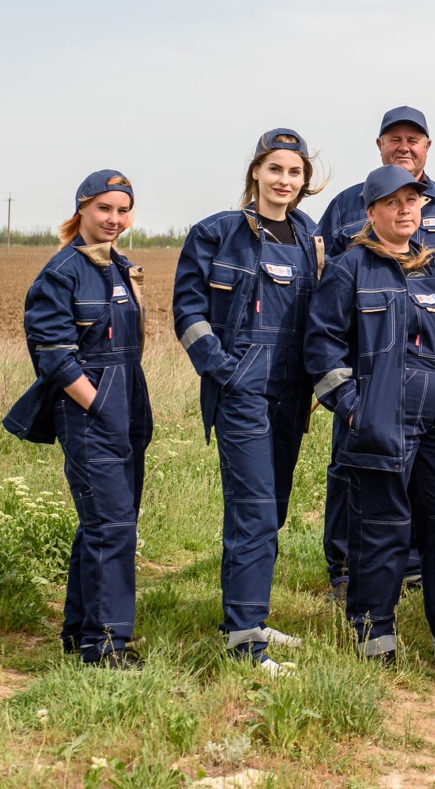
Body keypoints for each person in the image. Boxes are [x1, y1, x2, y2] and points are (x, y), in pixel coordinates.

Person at [306, 165, 435, 674]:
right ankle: (375, 639)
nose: (404, 210)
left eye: (412, 201)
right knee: (381, 530)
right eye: (392, 202)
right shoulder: (350, 267)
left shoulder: (434, 267)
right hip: (379, 425)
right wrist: (353, 409)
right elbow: (322, 347)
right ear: (371, 211)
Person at [172, 129, 328, 676]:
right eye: (275, 170)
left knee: (274, 508)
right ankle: (244, 640)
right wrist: (226, 372)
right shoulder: (216, 233)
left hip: (291, 391)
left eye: (294, 172)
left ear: (304, 180)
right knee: (253, 510)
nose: (284, 181)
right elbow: (187, 315)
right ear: (255, 174)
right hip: (242, 389)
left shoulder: (311, 237)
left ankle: (249, 617)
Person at [316, 105, 435, 598]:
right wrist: (347, 398)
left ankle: (410, 566)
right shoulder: (348, 203)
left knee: (428, 476)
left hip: (430, 356)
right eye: (395, 138)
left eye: (414, 139)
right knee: (355, 467)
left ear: (428, 147)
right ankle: (347, 569)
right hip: (369, 362)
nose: (404, 146)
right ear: (379, 145)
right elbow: (326, 266)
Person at [5, 170, 150, 669]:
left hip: (129, 406)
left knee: (106, 525)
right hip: (91, 414)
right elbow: (54, 356)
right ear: (82, 209)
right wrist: (98, 405)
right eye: (105, 208)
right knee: (112, 527)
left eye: (122, 210)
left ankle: (77, 632)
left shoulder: (119, 266)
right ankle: (107, 646)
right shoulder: (61, 272)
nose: (114, 219)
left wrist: (125, 409)